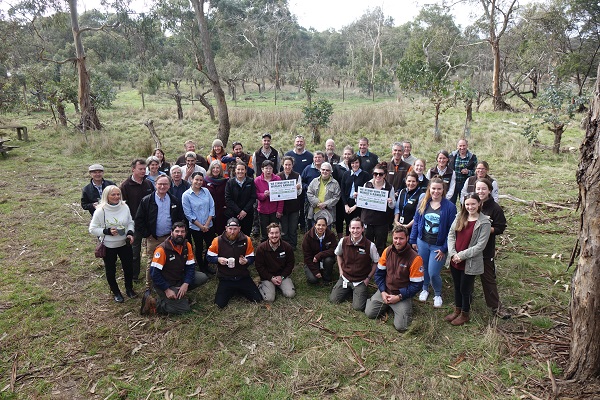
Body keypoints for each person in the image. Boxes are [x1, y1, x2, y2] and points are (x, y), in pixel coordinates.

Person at [365, 225, 424, 332]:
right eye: (395, 238)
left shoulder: (415, 258)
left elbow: (417, 285)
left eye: (401, 238)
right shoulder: (387, 251)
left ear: (407, 238)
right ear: (392, 237)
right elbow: (379, 274)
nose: (398, 241)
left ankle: (397, 306)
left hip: (401, 295)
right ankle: (384, 303)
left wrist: (400, 296)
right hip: (386, 291)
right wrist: (382, 291)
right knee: (369, 313)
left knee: (402, 327)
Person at [409, 177, 457, 308]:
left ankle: (437, 294)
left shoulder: (450, 207)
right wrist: (413, 240)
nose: (436, 191)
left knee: (433, 272)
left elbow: (452, 231)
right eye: (433, 188)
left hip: (438, 246)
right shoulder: (423, 202)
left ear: (443, 190)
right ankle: (424, 288)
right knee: (423, 267)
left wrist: (444, 248)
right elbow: (417, 222)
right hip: (422, 242)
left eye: (439, 189)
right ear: (429, 189)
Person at [146, 222, 209, 315]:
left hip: (179, 278)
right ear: (171, 233)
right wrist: (166, 289)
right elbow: (154, 273)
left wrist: (186, 283)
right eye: (177, 231)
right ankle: (155, 303)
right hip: (165, 283)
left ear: (186, 233)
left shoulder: (187, 245)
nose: (180, 234)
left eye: (182, 231)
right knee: (184, 309)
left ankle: (179, 294)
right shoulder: (162, 249)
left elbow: (190, 267)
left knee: (202, 277)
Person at [446, 194, 491, 325]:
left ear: (479, 204)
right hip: (455, 259)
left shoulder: (484, 222)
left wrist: (461, 255)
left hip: (469, 262)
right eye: (467, 204)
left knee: (465, 289)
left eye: (473, 204)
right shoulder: (460, 216)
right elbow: (451, 235)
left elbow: (480, 246)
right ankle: (457, 310)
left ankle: (465, 313)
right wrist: (453, 253)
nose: (470, 207)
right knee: (457, 286)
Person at [135, 175, 185, 287]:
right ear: (155, 185)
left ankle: (167, 283)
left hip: (170, 237)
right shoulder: (147, 200)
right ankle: (149, 286)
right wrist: (147, 234)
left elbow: (179, 218)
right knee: (152, 262)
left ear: (169, 185)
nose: (162, 186)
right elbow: (139, 220)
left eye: (165, 184)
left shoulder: (174, 200)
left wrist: (176, 233)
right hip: (154, 237)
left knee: (170, 261)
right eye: (160, 184)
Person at [89, 185, 136, 303]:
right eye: (113, 195)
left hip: (124, 243)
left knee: (128, 268)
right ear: (107, 196)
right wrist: (107, 231)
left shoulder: (124, 207)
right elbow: (92, 229)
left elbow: (130, 222)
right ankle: (116, 292)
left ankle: (129, 288)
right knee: (111, 270)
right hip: (109, 245)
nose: (116, 197)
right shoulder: (101, 210)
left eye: (118, 194)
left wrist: (130, 233)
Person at [206, 218, 263, 308]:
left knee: (258, 299)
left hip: (242, 276)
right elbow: (209, 257)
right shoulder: (217, 240)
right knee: (219, 305)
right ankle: (233, 290)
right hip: (226, 278)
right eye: (230, 229)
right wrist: (218, 259)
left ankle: (238, 289)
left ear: (239, 229)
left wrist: (246, 261)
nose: (232, 232)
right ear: (226, 228)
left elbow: (251, 257)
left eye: (235, 229)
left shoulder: (246, 239)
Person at [476, 178, 509, 318]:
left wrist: (487, 229)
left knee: (488, 278)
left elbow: (501, 227)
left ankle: (496, 307)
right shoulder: (471, 203)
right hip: (468, 247)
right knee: (466, 277)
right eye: (478, 189)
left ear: (489, 190)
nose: (480, 191)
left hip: (485, 249)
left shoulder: (495, 208)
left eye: (483, 189)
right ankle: (465, 304)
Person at [330, 218, 379, 311]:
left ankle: (357, 291)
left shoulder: (370, 245)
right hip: (345, 277)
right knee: (333, 300)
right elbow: (338, 255)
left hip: (361, 280)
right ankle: (349, 290)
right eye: (353, 228)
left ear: (362, 229)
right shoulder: (343, 241)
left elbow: (376, 262)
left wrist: (368, 278)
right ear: (349, 229)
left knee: (358, 307)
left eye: (358, 228)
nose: (355, 231)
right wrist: (341, 271)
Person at [120, 158, 155, 280]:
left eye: (144, 169)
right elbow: (122, 207)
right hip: (134, 224)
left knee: (154, 249)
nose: (143, 171)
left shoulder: (148, 183)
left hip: (149, 222)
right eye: (140, 169)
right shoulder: (125, 186)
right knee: (135, 251)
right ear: (133, 169)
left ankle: (155, 273)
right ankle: (134, 275)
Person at [182, 172, 216, 275]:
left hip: (209, 225)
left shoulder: (206, 191)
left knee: (210, 246)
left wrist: (207, 223)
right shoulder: (186, 195)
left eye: (201, 180)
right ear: (191, 180)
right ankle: (201, 267)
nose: (199, 182)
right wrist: (201, 226)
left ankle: (207, 264)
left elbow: (212, 206)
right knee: (199, 247)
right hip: (196, 228)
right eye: (196, 179)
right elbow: (188, 214)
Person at [255, 223, 296, 302]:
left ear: (280, 234)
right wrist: (271, 278)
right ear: (268, 234)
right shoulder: (261, 248)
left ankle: (281, 285)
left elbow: (290, 264)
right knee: (269, 299)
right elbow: (259, 267)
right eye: (272, 233)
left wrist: (282, 276)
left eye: (276, 233)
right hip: (268, 277)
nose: (274, 236)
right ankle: (262, 285)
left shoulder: (287, 247)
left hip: (282, 276)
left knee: (290, 294)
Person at [361, 162, 395, 255]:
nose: (378, 176)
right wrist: (358, 197)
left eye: (381, 174)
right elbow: (362, 203)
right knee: (367, 244)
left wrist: (390, 202)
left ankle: (379, 265)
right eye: (376, 174)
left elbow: (393, 206)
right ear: (373, 174)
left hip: (382, 222)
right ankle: (367, 264)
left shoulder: (389, 187)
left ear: (385, 175)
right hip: (368, 220)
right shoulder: (367, 184)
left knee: (380, 245)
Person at [285, 135, 313, 231]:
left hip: (304, 186)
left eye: (301, 141)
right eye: (297, 142)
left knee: (303, 206)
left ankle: (303, 225)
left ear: (304, 143)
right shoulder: (288, 154)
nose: (299, 143)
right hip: (290, 188)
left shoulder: (310, 156)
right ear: (294, 143)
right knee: (292, 206)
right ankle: (293, 225)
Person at [340, 154, 370, 235]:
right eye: (352, 163)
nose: (354, 165)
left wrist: (356, 206)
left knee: (358, 225)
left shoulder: (365, 175)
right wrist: (346, 205)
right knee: (348, 226)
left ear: (359, 163)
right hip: (347, 203)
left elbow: (367, 192)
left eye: (356, 162)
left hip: (359, 205)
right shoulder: (346, 174)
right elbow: (342, 190)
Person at [224, 162, 256, 236]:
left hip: (247, 213)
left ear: (245, 171)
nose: (240, 171)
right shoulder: (230, 182)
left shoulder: (250, 181)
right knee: (234, 235)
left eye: (242, 169)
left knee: (246, 234)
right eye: (238, 169)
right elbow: (228, 199)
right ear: (235, 170)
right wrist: (239, 211)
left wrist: (244, 211)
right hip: (234, 214)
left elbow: (253, 197)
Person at [302, 216, 337, 284]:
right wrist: (315, 271)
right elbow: (307, 256)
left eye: (323, 225)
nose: (321, 227)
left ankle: (327, 278)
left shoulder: (331, 235)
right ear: (315, 225)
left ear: (326, 226)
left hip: (325, 258)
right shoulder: (307, 236)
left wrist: (320, 255)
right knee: (313, 280)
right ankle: (317, 270)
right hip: (312, 260)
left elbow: (334, 250)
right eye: (319, 225)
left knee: (329, 260)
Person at [277, 156, 302, 249]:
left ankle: (293, 245)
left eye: (289, 165)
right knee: (284, 228)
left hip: (294, 207)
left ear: (292, 165)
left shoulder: (297, 176)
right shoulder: (278, 176)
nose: (288, 167)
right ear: (283, 165)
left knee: (293, 228)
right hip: (282, 207)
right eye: (286, 165)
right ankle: (284, 245)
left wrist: (298, 188)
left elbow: (300, 193)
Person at [254, 160, 283, 242]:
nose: (268, 170)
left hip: (274, 210)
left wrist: (279, 210)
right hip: (262, 210)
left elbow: (281, 197)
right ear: (262, 169)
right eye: (266, 168)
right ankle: (264, 247)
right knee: (264, 231)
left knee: (275, 230)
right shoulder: (257, 180)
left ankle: (276, 244)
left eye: (270, 168)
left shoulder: (277, 179)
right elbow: (256, 195)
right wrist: (264, 195)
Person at [306, 162, 340, 229]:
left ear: (331, 171)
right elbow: (309, 193)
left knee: (327, 234)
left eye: (327, 170)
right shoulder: (314, 181)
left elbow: (336, 197)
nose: (325, 171)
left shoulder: (335, 183)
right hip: (315, 211)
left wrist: (325, 204)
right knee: (315, 233)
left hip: (328, 213)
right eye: (323, 169)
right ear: (320, 170)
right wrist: (317, 203)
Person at [393, 171, 423, 236]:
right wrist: (396, 221)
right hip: (400, 226)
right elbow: (397, 208)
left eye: (413, 181)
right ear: (405, 181)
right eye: (409, 181)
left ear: (417, 182)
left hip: (412, 227)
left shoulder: (421, 194)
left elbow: (418, 214)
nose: (411, 183)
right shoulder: (402, 191)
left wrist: (407, 226)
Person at [333, 146, 353, 239]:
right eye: (345, 154)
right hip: (340, 198)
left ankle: (349, 238)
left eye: (349, 154)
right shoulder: (337, 167)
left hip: (351, 198)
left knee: (350, 219)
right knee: (339, 218)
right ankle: (340, 239)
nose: (347, 156)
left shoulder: (355, 167)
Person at [449, 139, 478, 204]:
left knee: (465, 203)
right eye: (460, 146)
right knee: (450, 202)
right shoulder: (452, 156)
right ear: (457, 146)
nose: (462, 148)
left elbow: (476, 171)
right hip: (453, 183)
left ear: (467, 146)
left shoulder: (472, 157)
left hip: (465, 184)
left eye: (464, 146)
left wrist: (468, 172)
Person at [204, 160, 228, 236]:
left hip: (221, 210)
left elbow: (227, 194)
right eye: (213, 168)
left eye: (218, 168)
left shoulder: (225, 181)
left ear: (220, 169)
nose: (215, 170)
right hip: (208, 210)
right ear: (210, 169)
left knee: (221, 231)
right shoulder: (205, 181)